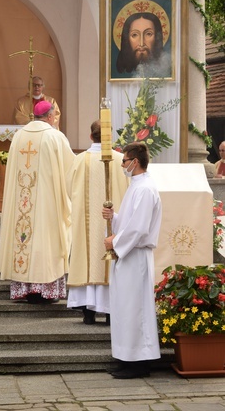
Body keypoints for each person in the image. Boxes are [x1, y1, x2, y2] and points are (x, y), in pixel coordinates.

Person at [0, 100, 74, 303]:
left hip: (22, 202)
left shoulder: (19, 136)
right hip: (47, 203)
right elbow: (71, 171)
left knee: (24, 237)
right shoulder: (55, 137)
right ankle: (46, 290)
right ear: (49, 117)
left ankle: (24, 288)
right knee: (45, 238)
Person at [102, 141, 162, 379]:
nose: (122, 165)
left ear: (135, 162)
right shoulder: (136, 186)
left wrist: (114, 242)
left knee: (135, 309)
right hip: (128, 255)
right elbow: (130, 222)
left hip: (136, 256)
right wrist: (114, 217)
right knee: (124, 309)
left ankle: (140, 364)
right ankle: (126, 358)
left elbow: (139, 228)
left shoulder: (145, 188)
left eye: (124, 161)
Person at [67, 120, 129, 324]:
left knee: (88, 258)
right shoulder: (121, 160)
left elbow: (69, 190)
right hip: (114, 225)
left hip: (85, 227)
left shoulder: (80, 160)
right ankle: (111, 313)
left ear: (90, 136)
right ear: (109, 136)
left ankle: (88, 313)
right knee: (110, 263)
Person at [116, 13, 171, 78]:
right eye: (134, 35)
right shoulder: (120, 75)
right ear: (127, 39)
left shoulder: (166, 70)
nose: (141, 44)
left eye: (148, 34)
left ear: (157, 38)